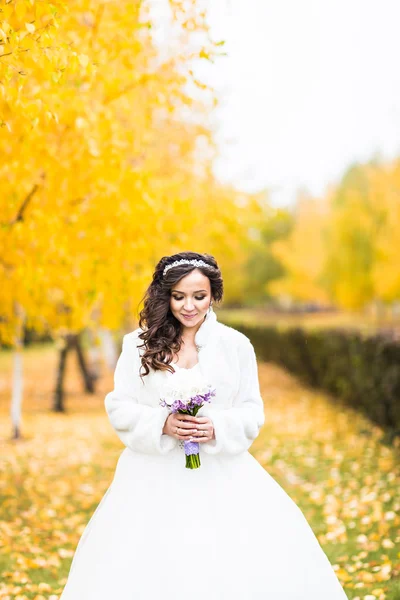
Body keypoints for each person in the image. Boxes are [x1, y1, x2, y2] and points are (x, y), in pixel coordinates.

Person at [60, 251, 349, 599]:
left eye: (199, 296)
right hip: (150, 479)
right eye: (179, 296)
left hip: (222, 473)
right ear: (165, 295)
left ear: (213, 295)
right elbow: (119, 405)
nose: (189, 306)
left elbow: (251, 409)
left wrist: (216, 428)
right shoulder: (137, 346)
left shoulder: (236, 346)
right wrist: (161, 424)